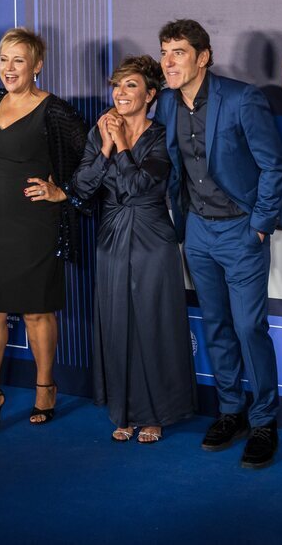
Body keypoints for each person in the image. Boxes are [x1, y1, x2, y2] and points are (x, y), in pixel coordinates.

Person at [155, 19, 282, 469]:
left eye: (178, 52)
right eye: (164, 52)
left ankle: (265, 420)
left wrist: (259, 224)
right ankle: (231, 410)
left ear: (203, 56)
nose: (169, 61)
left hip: (240, 229)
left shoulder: (241, 98)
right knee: (214, 325)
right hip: (196, 230)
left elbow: (273, 166)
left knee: (249, 327)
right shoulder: (165, 104)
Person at [0, 27, 87, 436]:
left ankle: (45, 387)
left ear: (38, 65)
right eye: (3, 60)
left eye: (19, 60)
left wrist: (63, 192)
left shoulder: (54, 111)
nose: (9, 68)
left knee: (37, 310)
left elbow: (90, 155)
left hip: (35, 223)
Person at [72, 55, 196, 444]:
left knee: (153, 324)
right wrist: (107, 147)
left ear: (150, 94)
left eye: (131, 86)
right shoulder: (100, 133)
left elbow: (141, 187)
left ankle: (156, 412)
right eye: (117, 85)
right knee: (117, 323)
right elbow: (82, 187)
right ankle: (123, 410)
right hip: (110, 237)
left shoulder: (162, 136)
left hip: (153, 236)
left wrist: (123, 145)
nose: (120, 93)